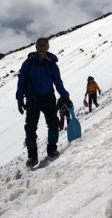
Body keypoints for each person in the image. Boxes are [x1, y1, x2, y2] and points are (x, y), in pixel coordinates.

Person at [16, 37, 71, 166]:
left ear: (48, 47)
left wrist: (65, 96)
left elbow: (58, 82)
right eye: (39, 45)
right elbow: (21, 81)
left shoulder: (51, 64)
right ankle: (32, 156)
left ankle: (52, 149)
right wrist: (19, 97)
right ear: (36, 47)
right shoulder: (28, 63)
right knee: (30, 128)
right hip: (32, 99)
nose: (41, 47)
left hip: (48, 97)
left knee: (53, 123)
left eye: (44, 45)